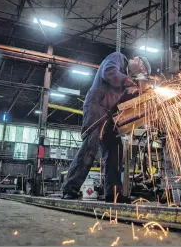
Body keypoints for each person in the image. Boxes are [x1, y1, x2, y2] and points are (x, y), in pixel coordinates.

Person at [62, 52, 151, 203]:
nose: (140, 72)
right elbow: (108, 73)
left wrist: (140, 95)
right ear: (136, 59)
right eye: (141, 68)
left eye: (142, 73)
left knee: (116, 151)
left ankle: (113, 193)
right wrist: (129, 81)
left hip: (110, 117)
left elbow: (123, 100)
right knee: (90, 146)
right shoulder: (118, 58)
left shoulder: (126, 80)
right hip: (96, 108)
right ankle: (69, 188)